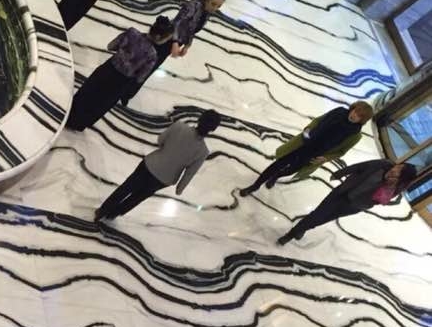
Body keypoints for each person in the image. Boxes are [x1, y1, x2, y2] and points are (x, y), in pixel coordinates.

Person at [95, 110, 222, 221]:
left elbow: (160, 140)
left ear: (200, 118)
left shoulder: (179, 126)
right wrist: (179, 189)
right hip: (164, 179)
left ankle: (103, 210)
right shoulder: (203, 152)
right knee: (137, 197)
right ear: (212, 129)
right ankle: (113, 214)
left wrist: (166, 148)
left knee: (127, 187)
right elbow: (189, 173)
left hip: (150, 164)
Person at [239, 101, 374, 197]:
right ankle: (255, 186)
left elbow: (341, 152)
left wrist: (325, 158)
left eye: (359, 116)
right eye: (355, 111)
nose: (354, 115)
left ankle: (276, 177)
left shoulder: (355, 135)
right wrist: (308, 128)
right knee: (278, 164)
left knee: (291, 170)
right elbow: (318, 120)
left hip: (315, 154)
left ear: (362, 120)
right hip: (303, 143)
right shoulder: (339, 111)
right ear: (353, 108)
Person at [277, 160, 418, 245]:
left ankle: (303, 228)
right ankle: (290, 234)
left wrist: (388, 185)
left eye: (400, 171)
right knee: (318, 214)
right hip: (342, 192)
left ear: (403, 177)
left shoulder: (396, 187)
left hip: (353, 206)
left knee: (325, 218)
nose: (396, 169)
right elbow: (360, 166)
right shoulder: (383, 164)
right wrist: (340, 173)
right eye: (399, 166)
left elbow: (380, 200)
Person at [66, 22, 161, 132]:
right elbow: (140, 78)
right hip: (120, 83)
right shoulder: (152, 55)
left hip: (108, 69)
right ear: (160, 37)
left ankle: (68, 114)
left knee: (88, 91)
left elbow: (110, 46)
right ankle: (78, 123)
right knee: (100, 103)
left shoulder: (131, 33)